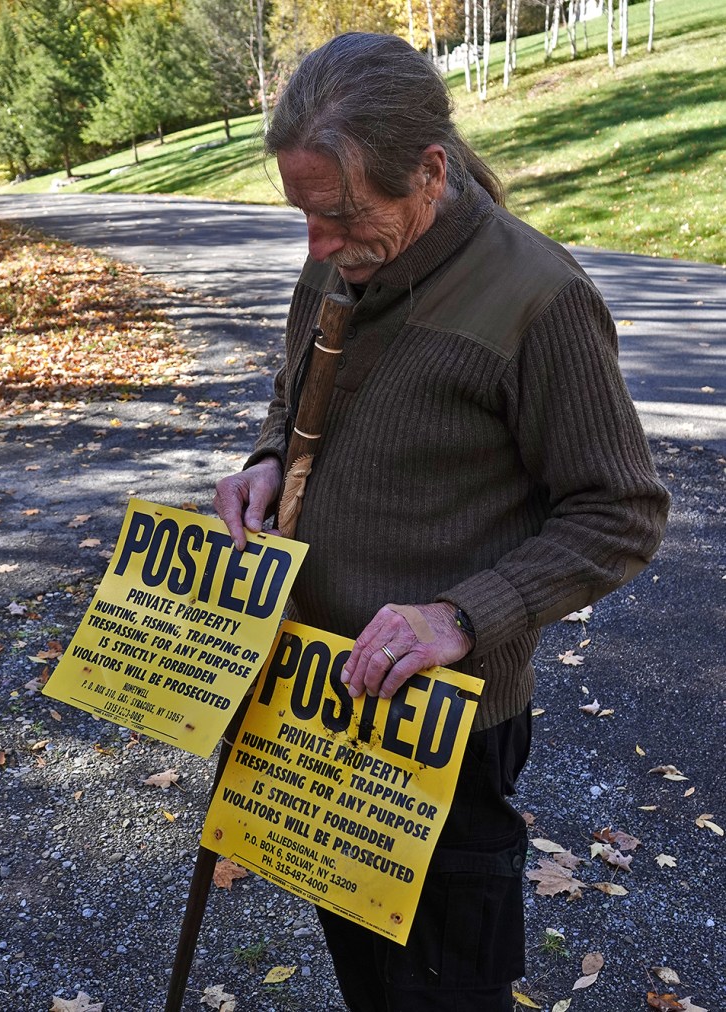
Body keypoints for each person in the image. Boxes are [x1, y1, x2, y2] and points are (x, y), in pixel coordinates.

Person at [214, 32, 670, 1012]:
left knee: (442, 994)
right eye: (302, 215)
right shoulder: (338, 260)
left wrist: (458, 616)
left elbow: (622, 511)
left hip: (443, 730)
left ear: (430, 169)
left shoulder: (538, 299)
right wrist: (264, 465)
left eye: (340, 216)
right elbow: (298, 393)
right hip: (320, 697)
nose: (317, 247)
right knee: (368, 979)